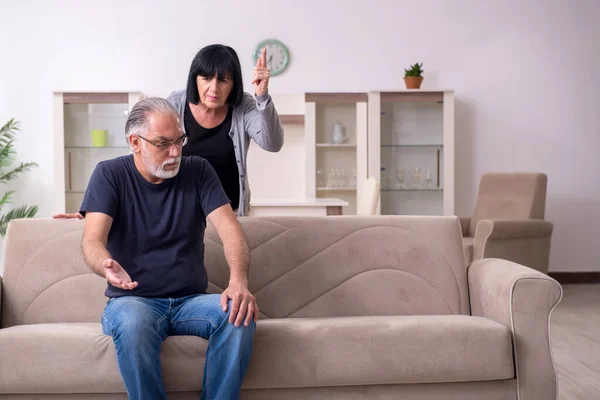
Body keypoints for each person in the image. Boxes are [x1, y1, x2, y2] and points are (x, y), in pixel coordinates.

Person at [80, 97, 257, 400]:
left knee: (239, 315)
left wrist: (238, 282)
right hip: (132, 301)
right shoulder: (109, 175)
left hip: (191, 302)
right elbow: (92, 241)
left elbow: (231, 231)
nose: (175, 153)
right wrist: (104, 263)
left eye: (180, 141)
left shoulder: (199, 171)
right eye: (163, 143)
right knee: (132, 323)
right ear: (135, 142)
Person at [54, 43, 283, 219]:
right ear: (195, 79)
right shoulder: (175, 103)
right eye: (206, 78)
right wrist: (97, 212)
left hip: (229, 210)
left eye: (223, 80)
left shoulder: (244, 105)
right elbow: (146, 154)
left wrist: (262, 96)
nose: (214, 88)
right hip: (181, 212)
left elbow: (272, 143)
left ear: (234, 84)